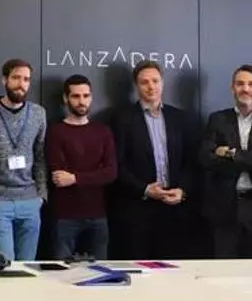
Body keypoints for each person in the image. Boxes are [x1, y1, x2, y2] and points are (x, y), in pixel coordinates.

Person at [110, 60, 198, 260]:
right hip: (138, 210)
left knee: (173, 270)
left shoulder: (180, 118)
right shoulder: (122, 119)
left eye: (155, 81)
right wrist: (145, 189)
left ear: (162, 83)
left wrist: (182, 191)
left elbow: (191, 162)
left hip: (174, 208)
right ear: (136, 86)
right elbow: (117, 165)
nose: (151, 86)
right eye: (144, 82)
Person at [0, 58, 47, 261]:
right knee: (6, 266)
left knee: (28, 266)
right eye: (16, 78)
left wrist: (41, 194)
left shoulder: (38, 114)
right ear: (4, 80)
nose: (21, 84)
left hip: (30, 201)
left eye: (26, 79)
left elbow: (40, 156)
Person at [45, 75, 116, 261]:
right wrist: (95, 174)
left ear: (91, 97)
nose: (81, 101)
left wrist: (75, 178)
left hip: (98, 214)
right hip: (64, 216)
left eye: (86, 96)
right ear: (65, 98)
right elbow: (59, 176)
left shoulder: (103, 131)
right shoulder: (56, 131)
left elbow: (110, 172)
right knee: (61, 271)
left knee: (100, 271)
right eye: (76, 96)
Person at [201, 64, 252, 258]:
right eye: (240, 84)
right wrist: (246, 159)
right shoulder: (218, 119)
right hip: (225, 208)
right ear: (232, 88)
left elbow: (220, 157)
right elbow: (205, 158)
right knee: (224, 268)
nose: (245, 89)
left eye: (250, 84)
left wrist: (231, 153)